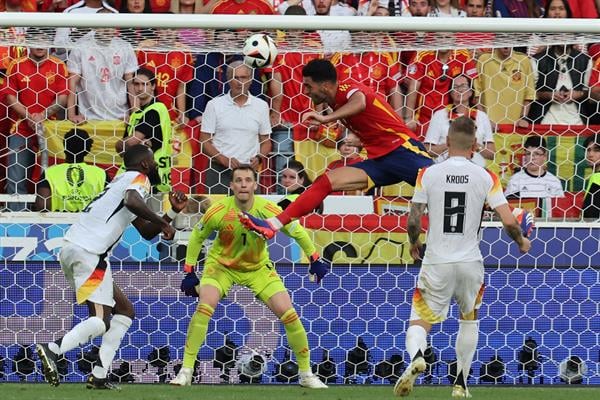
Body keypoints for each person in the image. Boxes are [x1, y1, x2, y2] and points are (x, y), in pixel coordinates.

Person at [396, 116, 531, 398]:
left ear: (446, 142)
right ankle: (461, 384)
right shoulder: (487, 177)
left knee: (419, 320)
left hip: (436, 260)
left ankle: (418, 355)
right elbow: (508, 221)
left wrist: (413, 243)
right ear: (476, 145)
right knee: (469, 318)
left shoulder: (428, 173)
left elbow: (413, 219)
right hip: (470, 261)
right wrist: (521, 241)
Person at [36, 145, 188, 390]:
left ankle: (99, 375)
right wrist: (163, 222)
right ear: (145, 165)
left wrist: (170, 214)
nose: (157, 167)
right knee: (100, 321)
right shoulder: (139, 180)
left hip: (77, 249)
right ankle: (53, 349)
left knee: (125, 311)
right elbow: (133, 200)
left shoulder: (119, 184)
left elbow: (146, 231)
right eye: (154, 162)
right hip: (89, 252)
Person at [169, 165, 329, 389]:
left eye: (247, 180)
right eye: (238, 180)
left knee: (289, 314)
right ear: (231, 185)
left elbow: (296, 231)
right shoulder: (218, 210)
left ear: (255, 184)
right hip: (221, 266)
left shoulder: (267, 209)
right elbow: (197, 236)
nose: (243, 184)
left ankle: (306, 374)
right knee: (205, 306)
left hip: (258, 269)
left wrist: (315, 259)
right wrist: (189, 272)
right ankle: (186, 371)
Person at [239, 59, 433, 240]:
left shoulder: (347, 87)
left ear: (324, 85)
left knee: (444, 190)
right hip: (380, 160)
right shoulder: (334, 102)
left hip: (403, 152)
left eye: (308, 85)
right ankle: (272, 225)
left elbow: (360, 102)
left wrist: (326, 118)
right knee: (325, 182)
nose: (305, 91)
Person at [5, 38, 68, 211]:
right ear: (27, 44)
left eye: (44, 41)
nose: (40, 45)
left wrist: (43, 115)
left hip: (50, 130)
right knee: (16, 174)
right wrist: (29, 117)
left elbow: (63, 97)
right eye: (36, 41)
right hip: (21, 127)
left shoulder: (58, 65)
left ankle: (48, 213)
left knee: (49, 176)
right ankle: (17, 215)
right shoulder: (16, 65)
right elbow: (10, 96)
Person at [200, 60, 272, 194]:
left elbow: (266, 141)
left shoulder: (261, 106)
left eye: (243, 77)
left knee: (250, 213)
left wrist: (259, 158)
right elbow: (204, 141)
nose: (239, 82)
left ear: (250, 80)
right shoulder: (214, 105)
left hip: (248, 173)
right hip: (219, 171)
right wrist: (223, 159)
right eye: (235, 77)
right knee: (219, 213)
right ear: (228, 80)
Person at [66, 17, 138, 123]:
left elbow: (131, 83)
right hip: (88, 117)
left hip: (120, 116)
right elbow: (72, 82)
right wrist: (71, 115)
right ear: (95, 26)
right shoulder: (81, 47)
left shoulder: (125, 47)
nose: (107, 29)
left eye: (111, 26)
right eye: (103, 25)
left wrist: (135, 114)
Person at [116, 67, 173, 193]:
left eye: (144, 84)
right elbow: (126, 148)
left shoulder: (155, 110)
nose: (140, 88)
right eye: (136, 84)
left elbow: (130, 143)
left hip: (150, 175)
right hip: (139, 175)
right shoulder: (137, 114)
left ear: (153, 86)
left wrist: (119, 144)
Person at [424, 74, 495, 167]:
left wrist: (475, 145)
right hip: (446, 168)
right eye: (455, 87)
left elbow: (491, 154)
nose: (459, 89)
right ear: (450, 92)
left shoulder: (482, 116)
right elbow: (428, 150)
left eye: (463, 86)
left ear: (471, 92)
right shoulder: (440, 115)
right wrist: (453, 143)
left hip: (475, 170)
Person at [35, 128, 107, 212]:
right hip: (90, 223)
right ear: (87, 150)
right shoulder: (100, 173)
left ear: (65, 147)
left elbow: (42, 205)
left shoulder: (50, 173)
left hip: (58, 223)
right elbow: (108, 203)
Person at [475, 47, 535, 129]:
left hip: (516, 125)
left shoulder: (523, 60)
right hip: (490, 125)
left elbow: (529, 93)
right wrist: (485, 120)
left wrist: (523, 118)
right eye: (504, 43)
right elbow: (477, 92)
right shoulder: (484, 60)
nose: (506, 47)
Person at [505, 136, 564, 218]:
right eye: (529, 154)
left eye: (536, 154)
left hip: (547, 226)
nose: (532, 157)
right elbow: (508, 207)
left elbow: (559, 210)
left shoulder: (554, 181)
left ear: (545, 156)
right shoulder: (515, 180)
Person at [582, 133, 600, 219]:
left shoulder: (597, 177)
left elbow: (590, 214)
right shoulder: (595, 175)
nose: (590, 154)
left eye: (596, 150)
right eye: (588, 150)